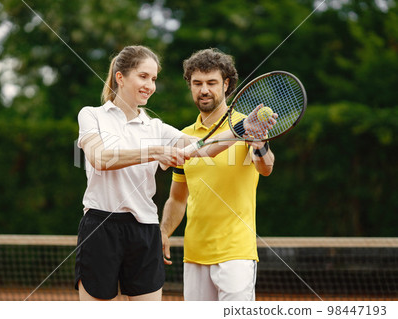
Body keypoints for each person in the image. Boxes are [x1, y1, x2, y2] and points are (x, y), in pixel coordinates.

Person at [74, 46, 273, 301]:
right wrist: (155, 151)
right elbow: (99, 158)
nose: (150, 85)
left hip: (145, 230)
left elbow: (202, 149)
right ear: (120, 77)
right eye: (143, 76)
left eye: (154, 79)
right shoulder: (91, 115)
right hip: (100, 227)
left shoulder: (156, 126)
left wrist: (241, 128)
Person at [160, 48, 276, 301]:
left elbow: (266, 167)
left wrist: (259, 145)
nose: (204, 90)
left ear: (226, 84)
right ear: (190, 86)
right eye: (197, 83)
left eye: (211, 83)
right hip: (195, 254)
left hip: (236, 252)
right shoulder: (184, 135)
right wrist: (163, 232)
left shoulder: (248, 123)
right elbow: (177, 198)